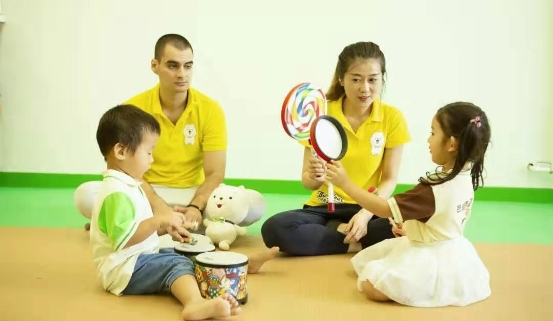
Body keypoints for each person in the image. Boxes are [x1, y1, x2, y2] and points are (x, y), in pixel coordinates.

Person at [90, 105, 278, 320]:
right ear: (121, 151)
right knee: (176, 264)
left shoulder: (127, 184)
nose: (152, 159)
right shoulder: (116, 191)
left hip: (137, 259)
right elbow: (123, 240)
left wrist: (164, 228)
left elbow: (136, 227)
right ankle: (194, 304)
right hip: (122, 271)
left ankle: (239, 266)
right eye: (149, 152)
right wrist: (158, 220)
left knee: (184, 255)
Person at [75, 34, 262, 232]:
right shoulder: (133, 108)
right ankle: (186, 224)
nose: (182, 74)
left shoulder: (211, 109)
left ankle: (139, 224)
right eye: (173, 66)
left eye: (188, 66)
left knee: (255, 203)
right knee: (85, 194)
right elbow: (125, 171)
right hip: (147, 192)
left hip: (194, 194)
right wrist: (161, 207)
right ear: (155, 66)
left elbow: (215, 173)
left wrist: (196, 207)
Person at [325, 102, 492, 307]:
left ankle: (429, 287)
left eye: (432, 133)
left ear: (451, 144)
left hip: (429, 256)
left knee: (371, 284)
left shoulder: (433, 189)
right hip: (455, 252)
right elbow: (440, 218)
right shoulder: (467, 175)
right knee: (366, 261)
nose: (428, 140)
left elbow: (383, 208)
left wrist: (345, 184)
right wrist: (411, 228)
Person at [261, 41, 411, 256]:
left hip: (369, 208)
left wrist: (366, 214)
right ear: (341, 79)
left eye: (372, 80)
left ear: (382, 79)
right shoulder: (321, 113)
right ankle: (354, 242)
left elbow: (389, 179)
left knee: (409, 228)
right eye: (356, 79)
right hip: (324, 208)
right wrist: (317, 175)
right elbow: (308, 183)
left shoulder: (392, 118)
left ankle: (337, 235)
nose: (365, 88)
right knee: (275, 228)